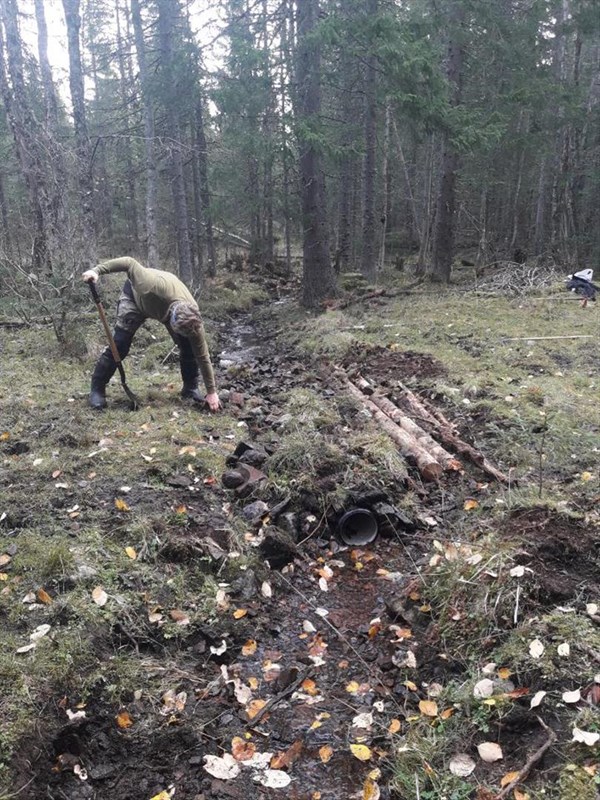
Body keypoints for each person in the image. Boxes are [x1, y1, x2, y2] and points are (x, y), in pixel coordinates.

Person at [82, 257, 220, 411]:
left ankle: (190, 388)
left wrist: (212, 392)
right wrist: (96, 270)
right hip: (135, 299)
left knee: (188, 346)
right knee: (120, 344)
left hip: (167, 307)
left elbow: (202, 355)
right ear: (172, 322)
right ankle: (97, 388)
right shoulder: (149, 285)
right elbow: (129, 262)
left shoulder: (193, 318)